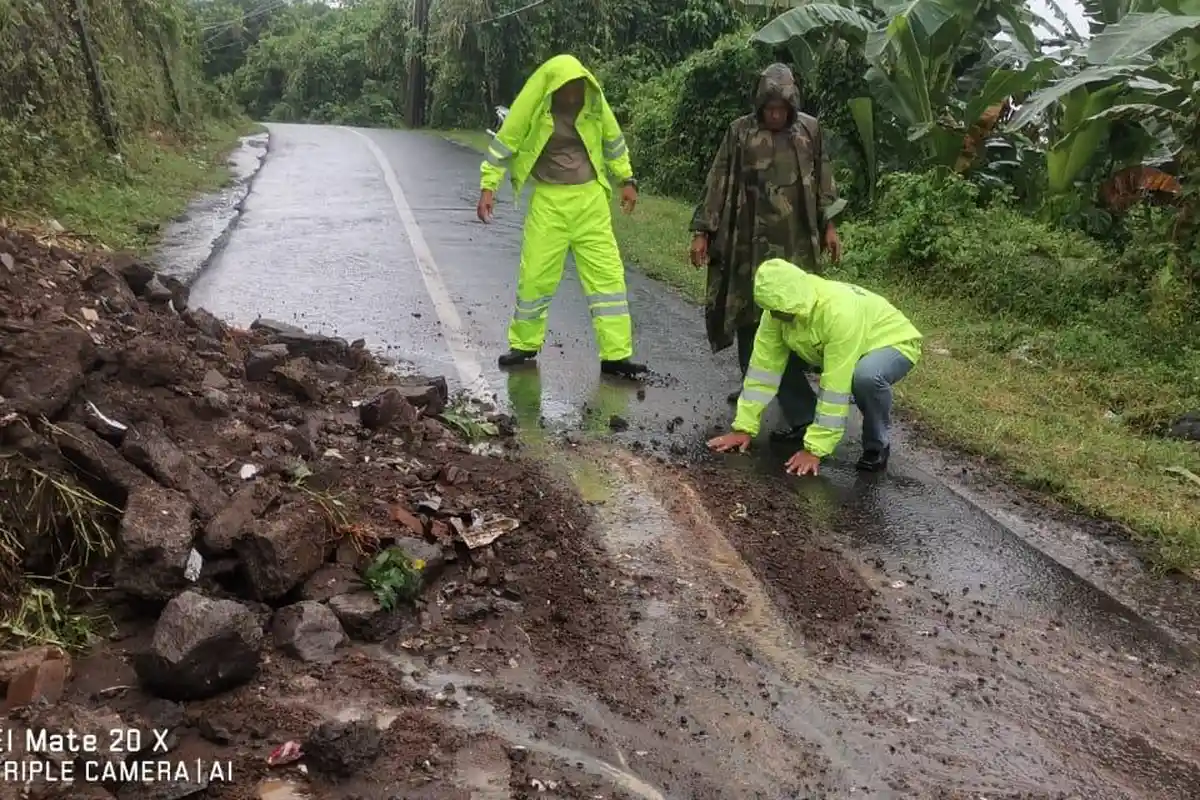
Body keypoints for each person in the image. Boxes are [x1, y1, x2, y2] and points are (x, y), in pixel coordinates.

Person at [689, 62, 845, 437]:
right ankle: (755, 386)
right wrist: (702, 230)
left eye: (782, 108)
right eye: (769, 108)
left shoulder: (809, 131)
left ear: (792, 106)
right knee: (748, 316)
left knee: (789, 316)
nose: (775, 115)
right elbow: (719, 179)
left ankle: (800, 410)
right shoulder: (740, 132)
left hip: (795, 244)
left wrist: (830, 226)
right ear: (759, 105)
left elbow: (824, 180)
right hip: (748, 241)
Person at [477, 54, 646, 378]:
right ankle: (524, 345)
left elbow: (613, 139)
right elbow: (506, 142)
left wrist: (627, 179)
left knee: (607, 279)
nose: (573, 97)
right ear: (554, 88)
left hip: (590, 201)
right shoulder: (535, 99)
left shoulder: (593, 100)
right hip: (549, 201)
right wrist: (489, 186)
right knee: (536, 277)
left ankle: (616, 355)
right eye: (567, 90)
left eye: (578, 90)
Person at [707, 259, 922, 474]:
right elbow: (763, 370)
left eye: (783, 312)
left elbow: (835, 387)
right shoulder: (775, 313)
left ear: (797, 299)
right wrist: (743, 428)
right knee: (777, 359)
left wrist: (815, 450)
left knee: (864, 377)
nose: (777, 317)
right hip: (824, 345)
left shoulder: (837, 313)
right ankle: (805, 420)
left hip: (891, 341)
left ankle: (877, 444)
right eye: (773, 311)